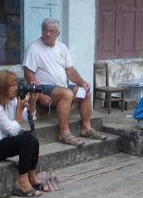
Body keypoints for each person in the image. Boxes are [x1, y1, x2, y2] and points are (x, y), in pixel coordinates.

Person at [23, 18, 107, 147]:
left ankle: (86, 128)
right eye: (45, 30)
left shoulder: (62, 47)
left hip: (63, 86)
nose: (47, 34)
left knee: (84, 92)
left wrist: (82, 82)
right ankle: (64, 133)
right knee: (67, 94)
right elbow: (28, 73)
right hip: (45, 88)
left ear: (58, 33)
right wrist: (38, 94)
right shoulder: (34, 48)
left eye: (51, 31)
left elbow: (70, 70)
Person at [0, 70, 48, 198]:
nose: (16, 88)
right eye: (12, 85)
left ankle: (31, 176)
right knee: (26, 140)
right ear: (2, 87)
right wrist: (19, 109)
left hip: (3, 141)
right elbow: (12, 130)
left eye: (16, 84)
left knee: (33, 141)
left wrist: (32, 101)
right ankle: (22, 181)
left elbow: (28, 118)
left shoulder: (11, 100)